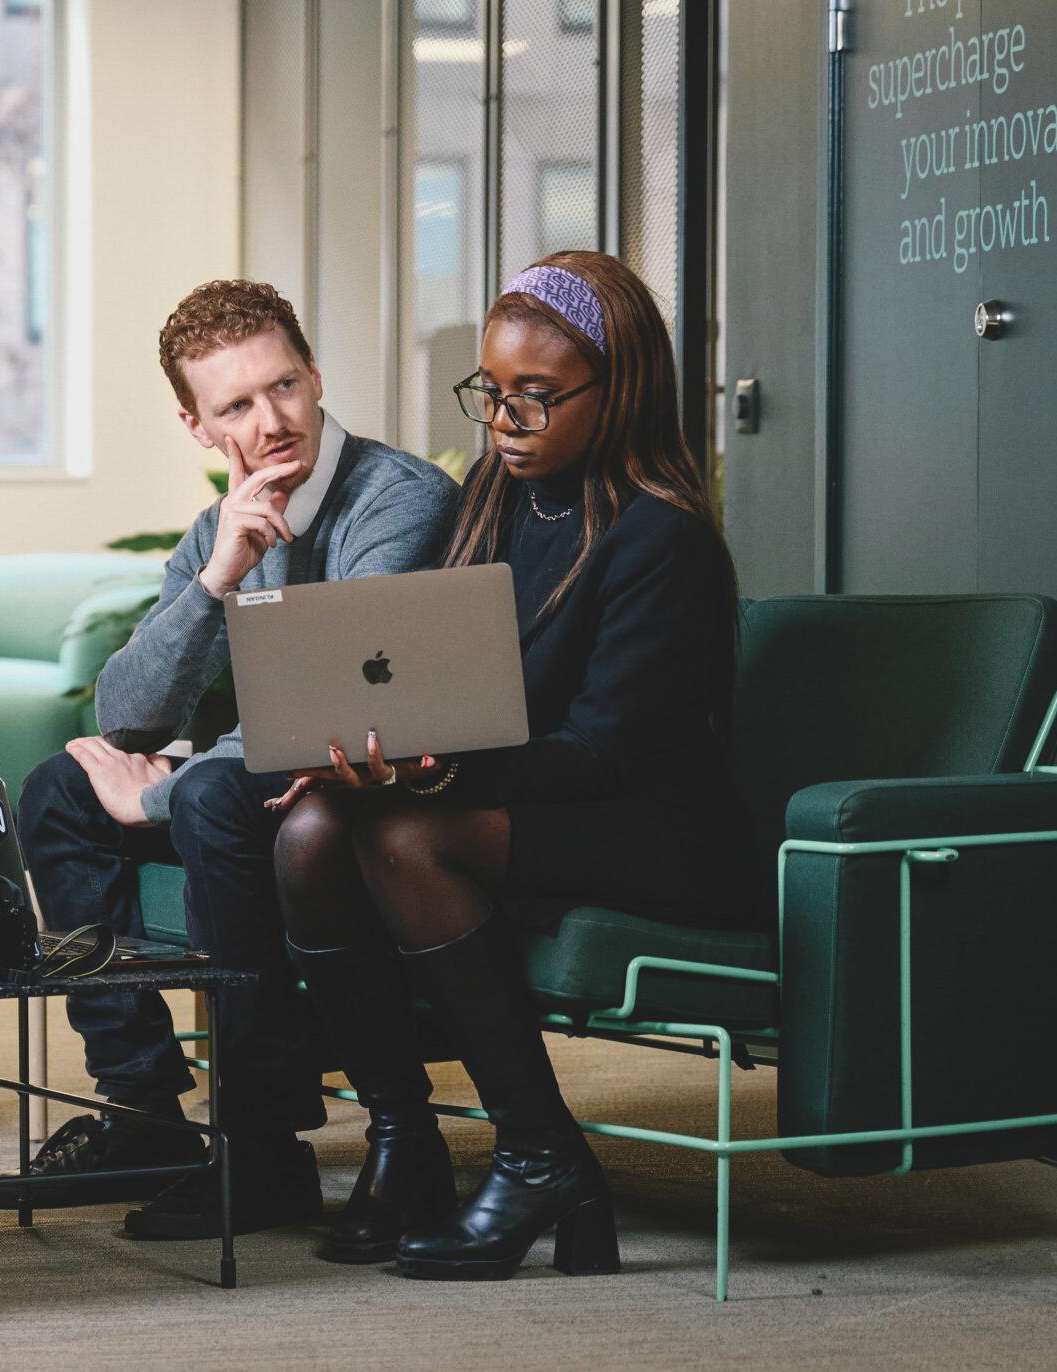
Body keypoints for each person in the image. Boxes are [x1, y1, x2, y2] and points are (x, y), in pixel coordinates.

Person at [268, 251, 748, 1280]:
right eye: (491, 392)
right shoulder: (491, 495)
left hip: (653, 828)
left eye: (536, 398)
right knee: (310, 829)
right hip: (521, 797)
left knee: (401, 837)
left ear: (614, 392)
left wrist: (430, 779)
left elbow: (602, 753)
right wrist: (367, 744)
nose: (504, 423)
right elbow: (437, 683)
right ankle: (405, 1139)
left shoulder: (662, 540)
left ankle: (539, 1154)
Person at [0, 280, 459, 1243]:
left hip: (370, 784)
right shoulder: (222, 527)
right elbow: (122, 715)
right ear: (197, 425)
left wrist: (152, 802)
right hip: (266, 777)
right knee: (58, 792)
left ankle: (261, 1146)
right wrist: (215, 580)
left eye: (284, 386)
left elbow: (340, 696)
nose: (272, 419)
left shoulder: (398, 501)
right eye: (236, 405)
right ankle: (144, 1112)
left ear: (316, 374)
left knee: (199, 793)